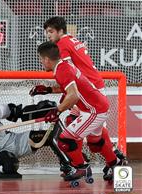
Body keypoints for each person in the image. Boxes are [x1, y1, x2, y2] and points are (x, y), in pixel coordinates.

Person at [35, 41, 126, 181]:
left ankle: (81, 167)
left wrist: (56, 111)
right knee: (95, 143)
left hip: (94, 110)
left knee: (64, 140)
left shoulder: (61, 70)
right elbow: (70, 87)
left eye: (41, 59)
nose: (41, 63)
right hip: (97, 105)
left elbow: (73, 95)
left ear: (47, 59)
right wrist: (48, 90)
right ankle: (116, 164)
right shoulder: (65, 65)